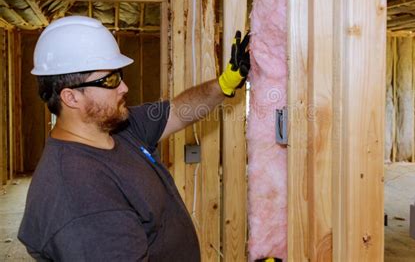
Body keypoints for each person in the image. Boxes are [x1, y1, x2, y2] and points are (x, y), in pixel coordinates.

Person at [17, 16, 250, 261]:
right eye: (110, 80)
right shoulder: (80, 196)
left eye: (119, 75)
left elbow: (179, 111)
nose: (124, 88)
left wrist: (225, 82)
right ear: (71, 97)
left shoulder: (117, 127)